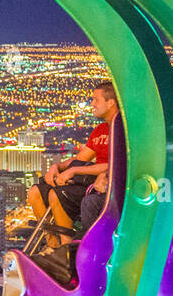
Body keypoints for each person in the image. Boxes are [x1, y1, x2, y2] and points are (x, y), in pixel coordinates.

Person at [27, 80, 119, 245]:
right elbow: (80, 159)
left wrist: (74, 171)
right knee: (35, 192)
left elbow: (120, 164)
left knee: (57, 194)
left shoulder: (123, 131)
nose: (92, 104)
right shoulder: (100, 130)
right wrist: (58, 167)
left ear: (110, 102)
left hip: (103, 181)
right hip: (87, 176)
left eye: (96, 99)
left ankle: (66, 245)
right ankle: (52, 245)